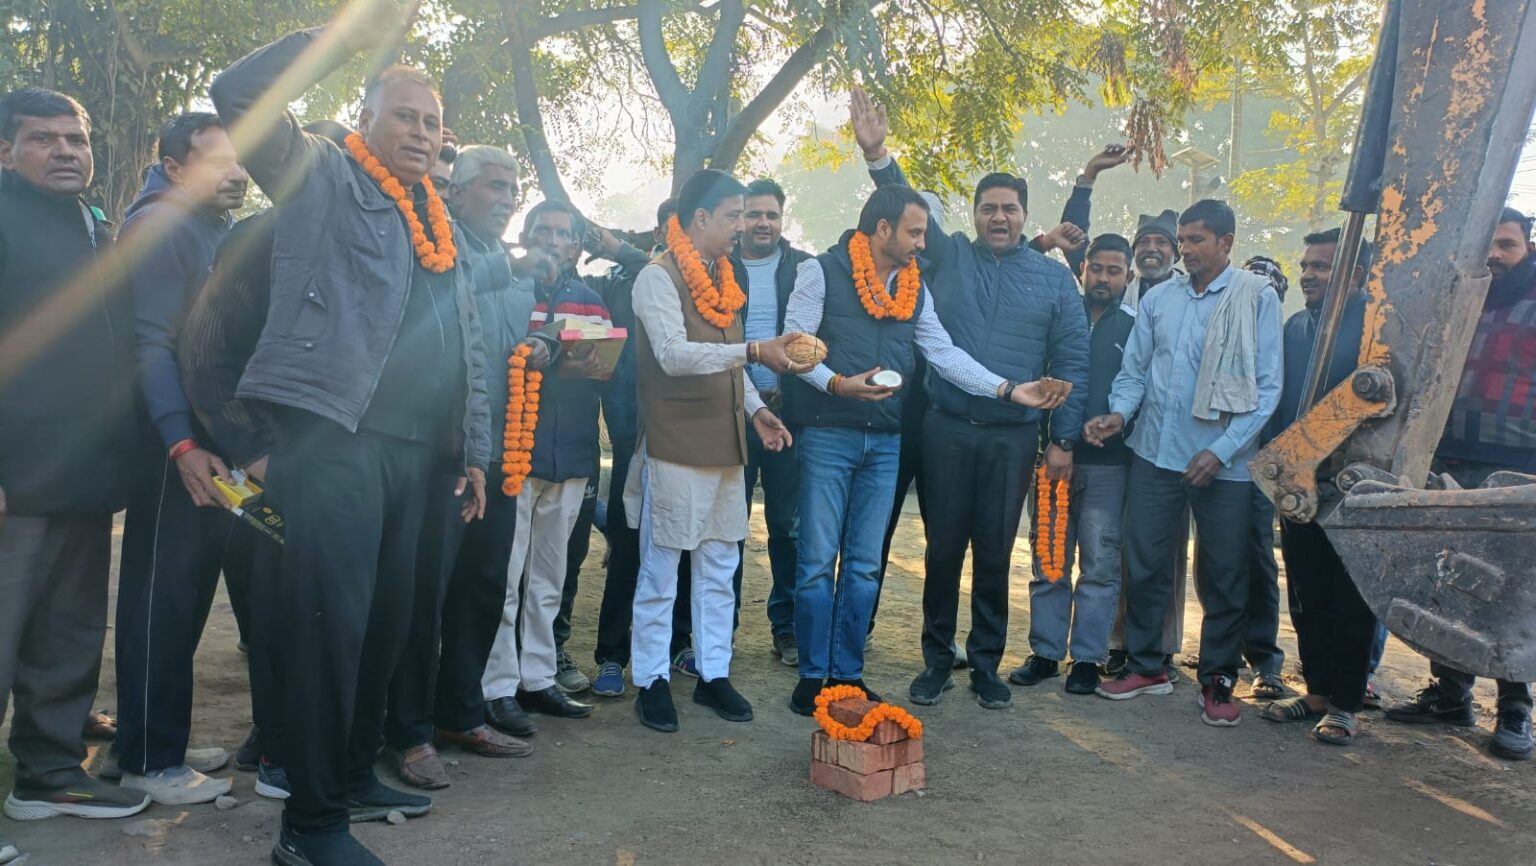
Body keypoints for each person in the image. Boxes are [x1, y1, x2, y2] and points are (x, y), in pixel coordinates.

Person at [212, 18, 493, 864]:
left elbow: (469, 344)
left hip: (423, 455)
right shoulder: (326, 176)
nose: (421, 132)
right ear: (362, 118)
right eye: (403, 115)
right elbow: (239, 99)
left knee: (389, 627)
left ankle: (354, 777)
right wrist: (331, 35)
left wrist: (474, 449)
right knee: (330, 628)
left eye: (433, 121)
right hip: (338, 440)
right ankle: (309, 827)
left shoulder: (438, 216)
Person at [849, 87, 1091, 710]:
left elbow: (1071, 361)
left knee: (993, 550)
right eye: (988, 209)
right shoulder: (949, 256)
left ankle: (985, 664)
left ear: (1024, 213)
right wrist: (878, 155)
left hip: (1013, 435)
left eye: (1009, 209)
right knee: (943, 547)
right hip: (946, 428)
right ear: (976, 215)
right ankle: (936, 661)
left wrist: (1062, 438)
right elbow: (907, 208)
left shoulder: (1054, 279)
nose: (998, 218)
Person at [782, 183, 1064, 714]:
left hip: (886, 439)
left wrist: (1007, 389)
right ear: (883, 229)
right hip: (828, 432)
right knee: (819, 561)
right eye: (914, 231)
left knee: (864, 565)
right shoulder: (820, 270)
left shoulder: (913, 285)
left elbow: (944, 353)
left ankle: (848, 671)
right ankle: (812, 673)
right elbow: (793, 348)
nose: (921, 241)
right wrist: (839, 384)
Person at [0, 87, 150, 848]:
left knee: (67, 633)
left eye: (75, 138)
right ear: (5, 153)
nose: (64, 151)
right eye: (42, 139)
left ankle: (48, 774)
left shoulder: (92, 225)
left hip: (84, 477)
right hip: (14, 483)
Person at [384, 144, 546, 790]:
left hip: (499, 457)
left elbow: (499, 348)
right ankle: (410, 731)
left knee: (481, 587)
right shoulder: (433, 247)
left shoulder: (510, 267)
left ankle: (461, 714)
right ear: (458, 193)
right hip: (442, 455)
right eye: (494, 187)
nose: (506, 199)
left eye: (513, 189)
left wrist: (538, 347)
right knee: (425, 595)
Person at [1088, 199, 1283, 728]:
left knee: (1223, 573)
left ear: (1227, 243)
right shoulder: (1159, 300)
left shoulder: (1256, 296)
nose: (1187, 249)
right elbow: (1135, 372)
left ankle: (1218, 679)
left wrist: (1220, 451)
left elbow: (1267, 390)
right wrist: (1118, 414)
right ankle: (1148, 664)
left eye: (1197, 240)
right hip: (1154, 452)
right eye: (1184, 239)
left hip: (1226, 464)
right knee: (1146, 562)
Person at [625, 168, 803, 732]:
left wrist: (757, 412)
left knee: (720, 565)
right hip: (676, 445)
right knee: (660, 570)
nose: (742, 226)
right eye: (733, 216)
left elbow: (732, 362)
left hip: (728, 447)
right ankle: (651, 679)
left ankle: (712, 673)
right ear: (699, 218)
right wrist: (754, 350)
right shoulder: (656, 278)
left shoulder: (725, 279)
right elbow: (675, 355)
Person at [111, 112, 249, 806]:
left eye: (239, 159)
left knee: (189, 593)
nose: (235, 172)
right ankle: (145, 758)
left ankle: (153, 736)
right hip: (178, 449)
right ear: (171, 168)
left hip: (209, 442)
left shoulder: (207, 229)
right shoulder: (164, 227)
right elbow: (152, 346)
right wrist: (184, 442)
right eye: (214, 160)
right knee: (162, 595)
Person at [1385, 207, 1536, 761]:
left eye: (1507, 244)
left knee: (1511, 587)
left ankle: (1516, 705)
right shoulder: (1457, 299)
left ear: (1527, 244)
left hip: (1519, 462)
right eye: (1488, 245)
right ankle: (1451, 695)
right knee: (1446, 577)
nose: (1495, 255)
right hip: (1448, 453)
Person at [480, 200, 612, 727]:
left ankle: (538, 678)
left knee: (549, 579)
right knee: (506, 579)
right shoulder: (505, 289)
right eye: (545, 232)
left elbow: (607, 372)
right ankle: (497, 685)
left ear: (577, 246)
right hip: (512, 455)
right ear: (525, 236)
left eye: (564, 234)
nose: (554, 241)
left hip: (573, 453)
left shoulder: (592, 302)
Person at [1259, 227, 1375, 745]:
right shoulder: (1295, 329)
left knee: (1351, 596)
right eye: (1306, 266)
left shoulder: (1378, 330)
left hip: (1356, 483)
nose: (1307, 275)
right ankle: (1317, 692)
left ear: (1356, 275)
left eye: (1321, 267)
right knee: (1306, 590)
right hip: (1299, 479)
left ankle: (1347, 702)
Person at [1012, 234, 1138, 696]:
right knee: (1048, 560)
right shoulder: (1057, 316)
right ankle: (1045, 653)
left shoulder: (1135, 328)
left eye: (1115, 271)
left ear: (1128, 276)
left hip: (1110, 465)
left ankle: (1088, 658)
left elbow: (1140, 388)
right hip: (1050, 463)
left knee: (1101, 565)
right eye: (1097, 269)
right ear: (1082, 268)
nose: (1104, 278)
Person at [587, 199, 699, 698]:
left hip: (688, 435)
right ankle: (612, 655)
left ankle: (678, 642)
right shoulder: (631, 276)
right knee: (628, 546)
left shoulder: (712, 285)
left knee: (683, 545)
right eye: (677, 228)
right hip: (635, 432)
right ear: (659, 230)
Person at [733, 178, 812, 666]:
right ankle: (719, 628)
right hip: (729, 411)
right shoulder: (717, 266)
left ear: (783, 219)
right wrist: (747, 397)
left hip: (790, 413)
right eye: (754, 214)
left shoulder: (805, 268)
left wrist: (794, 388)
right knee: (728, 525)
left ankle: (786, 628)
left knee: (788, 525)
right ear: (738, 218)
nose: (763, 223)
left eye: (772, 215)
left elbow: (817, 336)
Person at [1235, 255, 1290, 699]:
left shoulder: (1288, 337)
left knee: (1257, 557)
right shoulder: (1223, 330)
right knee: (1216, 558)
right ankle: (1226, 646)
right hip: (1219, 462)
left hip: (1262, 465)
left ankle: (1265, 659)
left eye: (1267, 285)